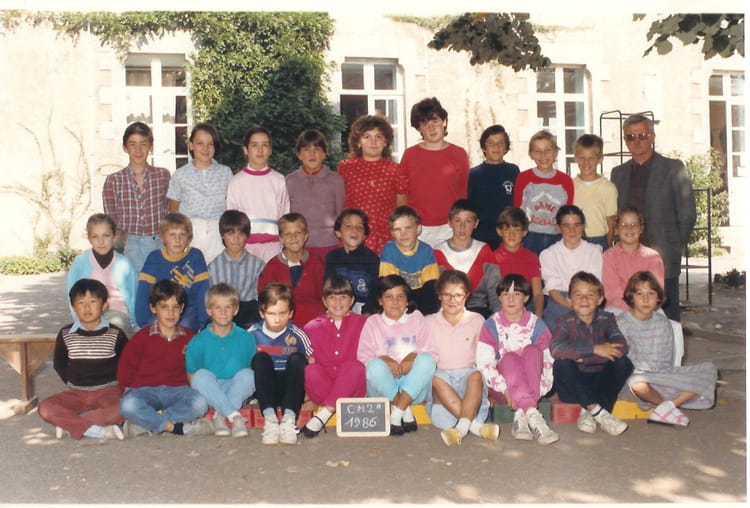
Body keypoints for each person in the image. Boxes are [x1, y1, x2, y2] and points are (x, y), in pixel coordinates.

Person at [610, 114, 696, 322]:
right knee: (629, 312)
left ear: (652, 137)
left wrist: (675, 244)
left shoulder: (673, 168)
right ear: (625, 140)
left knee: (667, 314)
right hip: (629, 255)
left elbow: (687, 212)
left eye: (642, 135)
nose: (637, 141)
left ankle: (672, 345)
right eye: (631, 137)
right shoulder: (618, 173)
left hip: (662, 254)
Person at [616, 271, 716, 426]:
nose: (645, 299)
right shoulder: (621, 323)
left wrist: (666, 379)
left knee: (709, 369)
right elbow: (624, 365)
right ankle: (668, 405)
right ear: (631, 297)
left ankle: (667, 407)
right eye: (639, 294)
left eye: (651, 293)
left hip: (661, 375)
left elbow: (664, 363)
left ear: (658, 297)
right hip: (636, 379)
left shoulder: (662, 323)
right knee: (637, 383)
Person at [117, 280, 212, 437]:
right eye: (164, 307)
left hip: (179, 390)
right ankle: (174, 428)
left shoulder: (190, 338)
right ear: (153, 308)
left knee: (200, 404)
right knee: (127, 405)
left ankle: (146, 424)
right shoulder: (141, 337)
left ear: (182, 308)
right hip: (145, 390)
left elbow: (198, 368)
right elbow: (125, 370)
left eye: (175, 307)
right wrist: (128, 392)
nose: (170, 313)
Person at [38, 279, 128, 440]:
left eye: (93, 302)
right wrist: (73, 382)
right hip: (76, 392)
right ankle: (96, 430)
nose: (87, 308)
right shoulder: (66, 334)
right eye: (81, 302)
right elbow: (60, 364)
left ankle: (70, 423)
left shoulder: (115, 334)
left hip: (108, 391)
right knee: (45, 408)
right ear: (73, 306)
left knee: (125, 408)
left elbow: (127, 363)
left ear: (104, 305)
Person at [476, 274, 558, 445]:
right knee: (510, 358)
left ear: (526, 297)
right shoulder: (491, 325)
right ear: (499, 298)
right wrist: (506, 391)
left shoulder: (538, 325)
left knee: (533, 351)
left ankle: (522, 415)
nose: (511, 299)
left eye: (517, 294)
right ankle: (534, 416)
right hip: (503, 390)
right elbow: (485, 365)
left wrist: (533, 394)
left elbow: (548, 365)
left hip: (534, 388)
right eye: (506, 294)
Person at [550, 271, 634, 436]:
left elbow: (621, 347)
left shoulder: (607, 319)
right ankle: (598, 411)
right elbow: (556, 349)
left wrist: (581, 356)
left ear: (600, 299)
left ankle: (590, 412)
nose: (584, 300)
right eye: (578, 295)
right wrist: (594, 349)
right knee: (562, 364)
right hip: (574, 384)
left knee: (624, 362)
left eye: (590, 295)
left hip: (600, 381)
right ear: (569, 300)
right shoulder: (565, 322)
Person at [357, 275, 438, 436]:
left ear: (407, 301)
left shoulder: (416, 318)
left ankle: (397, 412)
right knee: (373, 366)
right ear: (380, 301)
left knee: (427, 359)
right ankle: (403, 408)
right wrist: (384, 358)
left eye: (400, 296)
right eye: (388, 296)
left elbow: (430, 350)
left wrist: (413, 355)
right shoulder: (373, 322)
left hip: (413, 388)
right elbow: (363, 357)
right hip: (384, 390)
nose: (395, 302)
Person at [426, 270, 499, 447]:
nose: (452, 300)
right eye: (447, 295)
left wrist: (491, 390)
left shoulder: (477, 320)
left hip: (468, 377)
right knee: (435, 379)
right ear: (439, 295)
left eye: (458, 295)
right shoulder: (428, 322)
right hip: (442, 379)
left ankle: (462, 427)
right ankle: (474, 426)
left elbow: (485, 357)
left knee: (475, 375)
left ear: (467, 296)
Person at [186, 283, 257, 438]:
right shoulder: (198, 340)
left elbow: (249, 371)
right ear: (209, 310)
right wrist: (210, 392)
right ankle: (234, 416)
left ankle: (220, 415)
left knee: (250, 375)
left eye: (228, 307)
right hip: (211, 389)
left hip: (236, 389)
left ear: (236, 310)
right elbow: (192, 376)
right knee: (200, 376)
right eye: (217, 308)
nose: (223, 312)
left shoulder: (247, 338)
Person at [301, 275, 367, 438]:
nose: (338, 302)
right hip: (324, 387)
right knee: (311, 370)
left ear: (352, 300)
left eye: (343, 297)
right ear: (324, 301)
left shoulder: (363, 324)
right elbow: (307, 360)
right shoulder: (311, 327)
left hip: (352, 387)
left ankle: (324, 414)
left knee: (355, 366)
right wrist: (306, 397)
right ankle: (331, 406)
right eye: (332, 297)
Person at [248, 282, 312, 445]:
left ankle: (289, 421)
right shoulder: (252, 334)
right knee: (260, 359)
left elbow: (312, 362)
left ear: (290, 313)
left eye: (282, 313)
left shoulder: (297, 334)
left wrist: (310, 394)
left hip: (290, 390)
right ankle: (270, 421)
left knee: (298, 359)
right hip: (264, 388)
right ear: (262, 313)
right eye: (271, 313)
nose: (277, 319)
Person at [400, 97, 470, 247]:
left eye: (435, 121)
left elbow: (463, 192)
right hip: (417, 227)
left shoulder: (459, 154)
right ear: (419, 128)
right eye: (425, 124)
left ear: (444, 121)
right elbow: (402, 192)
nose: (431, 128)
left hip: (449, 226)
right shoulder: (410, 155)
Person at [102, 121, 170, 272]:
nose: (138, 150)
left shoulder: (163, 176)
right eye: (133, 144)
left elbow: (171, 211)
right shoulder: (114, 180)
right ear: (125, 148)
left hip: (159, 243)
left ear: (150, 147)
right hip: (130, 246)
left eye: (143, 144)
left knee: (161, 285)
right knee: (134, 285)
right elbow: (111, 218)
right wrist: (119, 240)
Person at [337, 114, 408, 254]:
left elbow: (401, 208)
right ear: (358, 142)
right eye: (367, 137)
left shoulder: (396, 170)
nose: (373, 142)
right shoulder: (345, 168)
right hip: (354, 235)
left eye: (378, 137)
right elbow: (340, 203)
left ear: (386, 142)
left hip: (385, 236)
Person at [166, 123, 233, 264]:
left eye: (210, 144)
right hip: (191, 235)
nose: (205, 149)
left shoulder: (225, 173)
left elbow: (231, 205)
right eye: (200, 143)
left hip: (217, 235)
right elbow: (173, 212)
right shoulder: (180, 175)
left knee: (217, 273)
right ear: (191, 145)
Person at [135, 213, 209, 331]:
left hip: (188, 311)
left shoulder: (196, 256)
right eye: (172, 235)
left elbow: (202, 291)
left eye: (182, 234)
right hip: (162, 310)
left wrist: (203, 322)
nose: (177, 240)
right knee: (154, 327)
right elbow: (144, 291)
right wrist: (143, 321)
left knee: (183, 326)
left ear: (189, 238)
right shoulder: (154, 258)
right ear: (162, 238)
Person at [226, 126, 290, 263]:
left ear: (270, 150)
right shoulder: (236, 182)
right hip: (245, 246)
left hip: (274, 246)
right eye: (254, 145)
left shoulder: (279, 180)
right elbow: (232, 218)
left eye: (265, 145)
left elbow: (284, 213)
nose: (260, 150)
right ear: (246, 150)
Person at [66, 213, 137, 336]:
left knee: (112, 329)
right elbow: (71, 295)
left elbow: (133, 295)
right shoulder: (80, 263)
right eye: (95, 237)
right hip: (88, 313)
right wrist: (78, 319)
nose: (101, 241)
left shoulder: (124, 263)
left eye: (106, 236)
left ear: (114, 237)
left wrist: (134, 324)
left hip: (117, 313)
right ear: (89, 239)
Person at [432, 199, 499, 317]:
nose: (462, 226)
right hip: (448, 310)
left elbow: (495, 290)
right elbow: (435, 292)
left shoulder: (484, 250)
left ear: (476, 223)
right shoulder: (438, 252)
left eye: (468, 221)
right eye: (457, 220)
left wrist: (499, 318)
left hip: (477, 309)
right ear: (450, 222)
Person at [540, 205, 603, 331]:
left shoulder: (594, 251)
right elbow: (553, 290)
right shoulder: (549, 254)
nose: (572, 230)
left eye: (577, 225)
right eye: (566, 226)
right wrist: (572, 307)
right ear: (558, 228)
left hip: (588, 300)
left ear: (583, 226)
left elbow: (595, 286)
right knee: (560, 329)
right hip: (560, 301)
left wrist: (583, 306)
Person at [285, 129, 345, 260]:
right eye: (306, 150)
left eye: (317, 149)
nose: (312, 154)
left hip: (329, 244)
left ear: (324, 154)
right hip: (298, 246)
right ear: (299, 154)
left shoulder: (336, 181)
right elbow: (285, 217)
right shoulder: (289, 181)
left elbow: (341, 214)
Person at [258, 213, 325, 328]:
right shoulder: (272, 266)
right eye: (288, 234)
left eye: (298, 233)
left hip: (314, 323)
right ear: (281, 239)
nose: (293, 238)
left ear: (306, 236)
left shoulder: (316, 262)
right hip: (283, 324)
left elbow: (325, 296)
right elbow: (266, 300)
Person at [513, 130, 574, 255]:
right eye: (538, 151)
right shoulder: (523, 178)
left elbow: (568, 210)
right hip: (530, 236)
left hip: (556, 236)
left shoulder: (565, 180)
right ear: (531, 154)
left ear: (555, 152)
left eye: (547, 150)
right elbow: (517, 209)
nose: (543, 155)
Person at [208, 209, 265, 328]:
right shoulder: (213, 266)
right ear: (222, 235)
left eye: (241, 234)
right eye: (230, 234)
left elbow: (261, 297)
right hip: (222, 311)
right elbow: (210, 298)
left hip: (249, 310)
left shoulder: (257, 264)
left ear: (247, 236)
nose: (236, 238)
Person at [379, 206, 440, 315]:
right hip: (397, 296)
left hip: (421, 297)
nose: (403, 233)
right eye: (397, 229)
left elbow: (431, 287)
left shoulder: (426, 251)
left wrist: (423, 314)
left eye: (408, 228)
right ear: (392, 233)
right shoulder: (389, 250)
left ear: (418, 229)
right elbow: (389, 284)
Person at [602, 206, 665, 312]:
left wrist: (642, 309)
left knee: (665, 322)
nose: (629, 229)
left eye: (634, 225)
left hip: (648, 307)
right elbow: (612, 292)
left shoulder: (653, 257)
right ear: (616, 229)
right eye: (624, 225)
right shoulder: (608, 256)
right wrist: (633, 311)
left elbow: (657, 289)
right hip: (617, 308)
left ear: (641, 229)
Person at [467, 125, 520, 250]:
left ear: (506, 147)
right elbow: (470, 205)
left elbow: (518, 202)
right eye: (491, 143)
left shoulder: (513, 171)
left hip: (507, 233)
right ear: (483, 147)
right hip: (481, 234)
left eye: (500, 143)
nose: (496, 147)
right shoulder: (474, 174)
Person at [324, 209, 380, 315]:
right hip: (339, 305)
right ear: (338, 233)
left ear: (364, 235)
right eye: (348, 226)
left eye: (359, 227)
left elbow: (375, 290)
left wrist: (368, 311)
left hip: (365, 308)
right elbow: (328, 287)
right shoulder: (333, 257)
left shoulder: (372, 258)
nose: (354, 230)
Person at [493, 206, 544, 317]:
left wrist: (538, 314)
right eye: (507, 229)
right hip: (500, 307)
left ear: (524, 232)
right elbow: (492, 295)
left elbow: (537, 293)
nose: (512, 235)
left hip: (526, 305)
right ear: (499, 231)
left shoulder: (531, 257)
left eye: (517, 230)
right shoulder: (492, 257)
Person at [572, 133, 617, 250]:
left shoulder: (608, 188)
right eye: (582, 158)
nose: (586, 163)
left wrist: (608, 249)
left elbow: (611, 223)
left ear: (600, 159)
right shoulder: (570, 185)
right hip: (574, 238)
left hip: (599, 240)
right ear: (575, 158)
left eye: (591, 158)